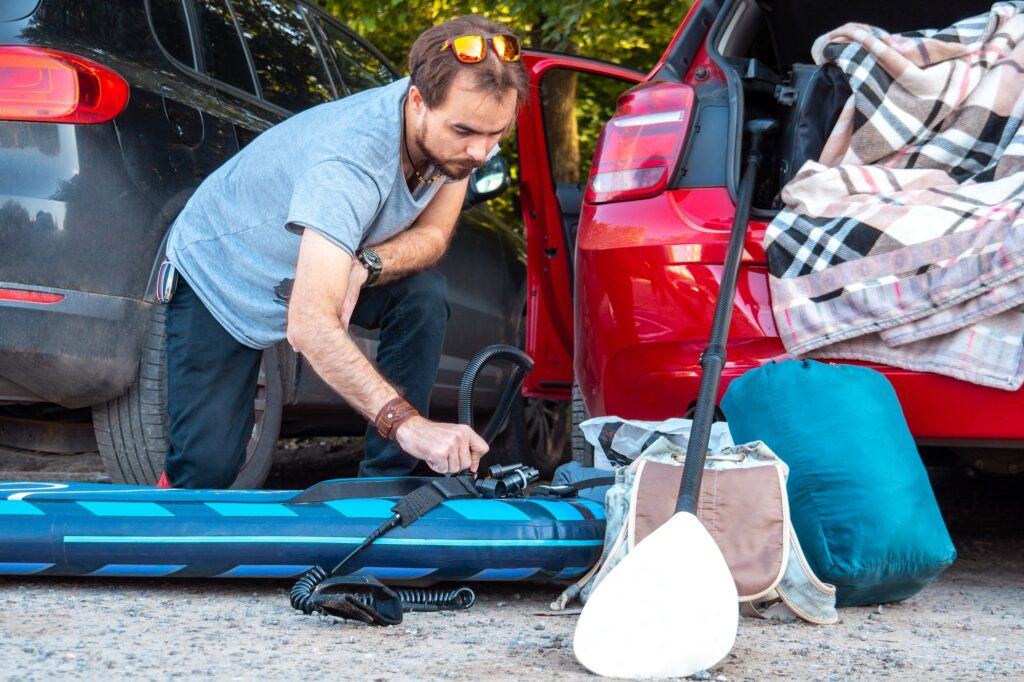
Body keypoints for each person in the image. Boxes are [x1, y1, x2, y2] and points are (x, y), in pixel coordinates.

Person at [158, 15, 529, 488]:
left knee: (422, 295)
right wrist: (409, 424)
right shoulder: (350, 161)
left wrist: (367, 265)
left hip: (323, 262)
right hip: (224, 274)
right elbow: (309, 324)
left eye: (495, 134)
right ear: (416, 102)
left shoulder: (459, 128)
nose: (479, 153)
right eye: (465, 133)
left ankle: (384, 486)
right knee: (206, 471)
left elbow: (434, 237)